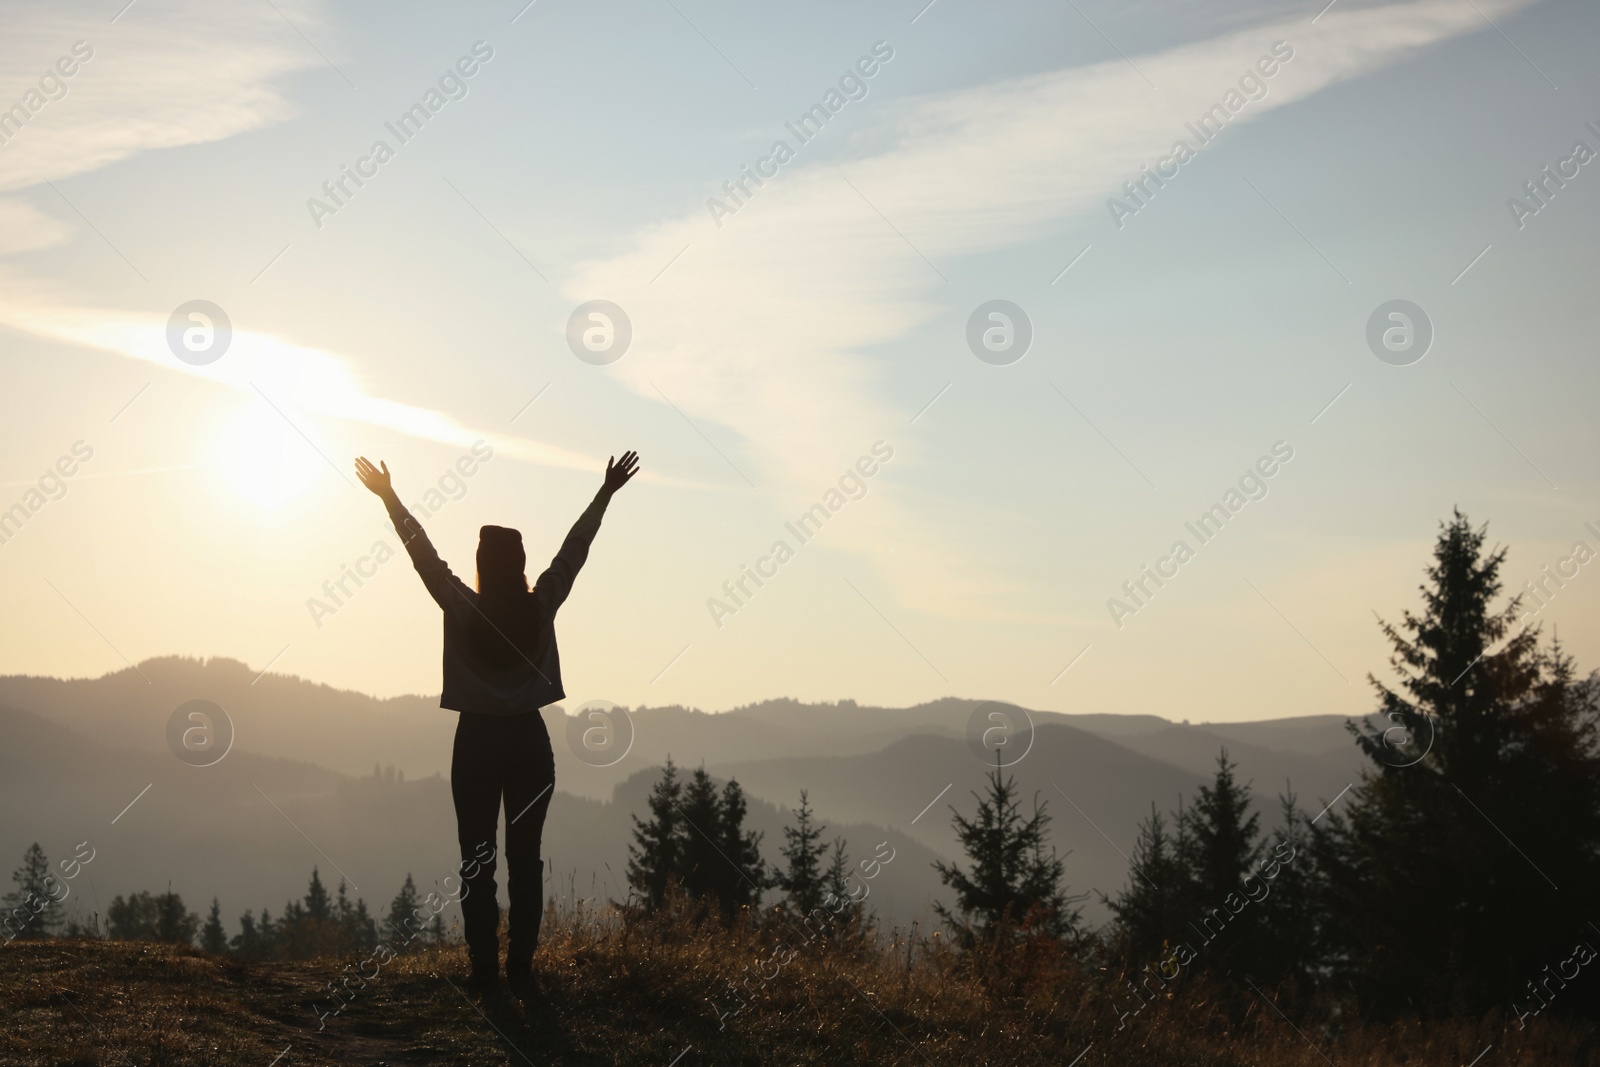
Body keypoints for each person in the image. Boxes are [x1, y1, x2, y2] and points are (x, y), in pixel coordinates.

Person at [355, 450, 640, 990]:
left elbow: (425, 557)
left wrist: (389, 496)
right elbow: (573, 552)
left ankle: (484, 967)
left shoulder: (462, 606)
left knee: (476, 859)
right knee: (525, 859)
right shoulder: (542, 605)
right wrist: (605, 493)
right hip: (530, 741)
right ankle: (521, 969)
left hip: (477, 740)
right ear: (522, 565)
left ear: (484, 566)